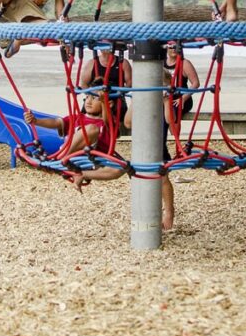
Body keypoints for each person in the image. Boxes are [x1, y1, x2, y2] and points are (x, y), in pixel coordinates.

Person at [71, 70, 178, 232]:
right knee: (137, 174)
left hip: (157, 140)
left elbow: (171, 121)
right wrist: (137, 98)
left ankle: (169, 211)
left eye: (161, 85)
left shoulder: (166, 98)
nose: (157, 88)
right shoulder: (141, 98)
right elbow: (127, 123)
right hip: (142, 142)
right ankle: (147, 215)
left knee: (162, 178)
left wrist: (165, 98)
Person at [24, 90, 109, 156]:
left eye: (94, 98)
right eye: (87, 97)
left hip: (93, 153)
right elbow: (56, 122)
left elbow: (108, 121)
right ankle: (63, 154)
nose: (88, 101)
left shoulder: (106, 122)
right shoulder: (77, 118)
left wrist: (104, 103)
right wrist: (36, 121)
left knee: (91, 128)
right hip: (71, 151)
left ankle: (61, 156)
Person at [79, 47, 132, 134]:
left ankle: (120, 136)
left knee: (120, 127)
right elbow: (84, 84)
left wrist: (117, 94)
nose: (105, 49)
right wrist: (93, 95)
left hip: (116, 99)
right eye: (103, 46)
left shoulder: (123, 62)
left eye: (107, 46)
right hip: (96, 98)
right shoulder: (92, 63)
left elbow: (130, 84)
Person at [164, 41, 200, 116]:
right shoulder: (161, 63)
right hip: (165, 99)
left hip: (181, 99)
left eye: (175, 47)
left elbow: (196, 83)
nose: (173, 49)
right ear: (166, 48)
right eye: (171, 47)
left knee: (170, 113)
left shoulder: (184, 63)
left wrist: (183, 98)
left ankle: (173, 127)